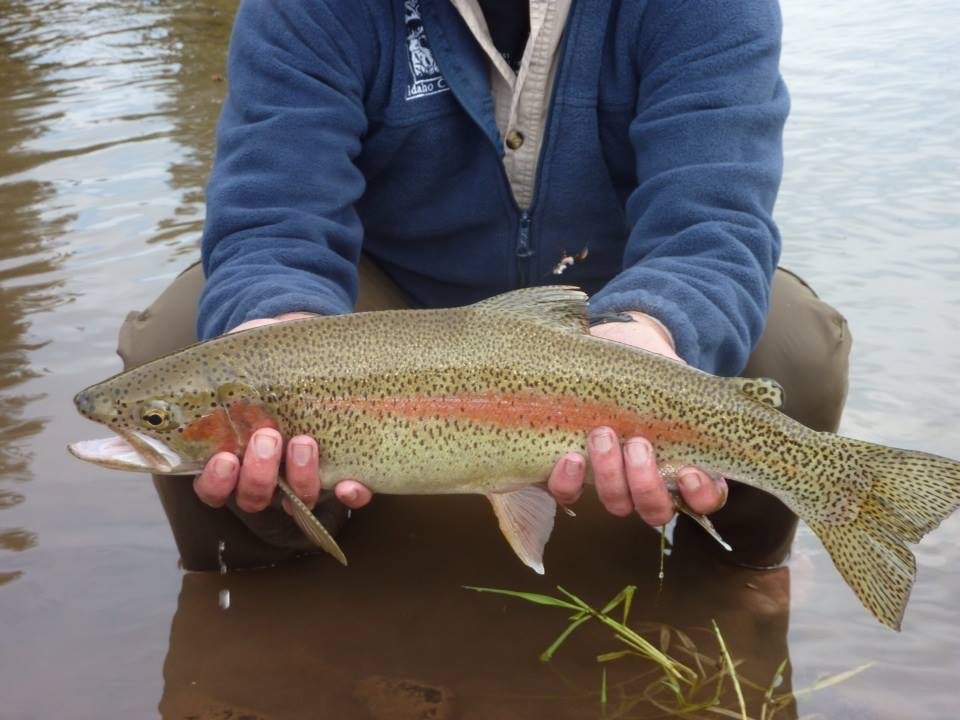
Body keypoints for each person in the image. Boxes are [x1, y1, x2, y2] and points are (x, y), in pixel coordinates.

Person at [119, 0, 851, 571]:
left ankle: (739, 586)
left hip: (617, 301)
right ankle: (273, 577)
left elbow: (714, 223)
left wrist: (653, 328)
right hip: (391, 304)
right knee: (178, 339)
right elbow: (273, 217)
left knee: (799, 349)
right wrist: (271, 325)